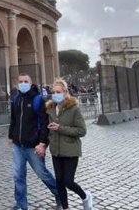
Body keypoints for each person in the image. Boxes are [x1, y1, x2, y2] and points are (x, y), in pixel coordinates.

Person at [8, 73, 59, 210]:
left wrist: (42, 143)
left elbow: (44, 123)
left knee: (42, 173)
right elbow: (14, 120)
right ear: (17, 83)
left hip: (33, 146)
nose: (23, 84)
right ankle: (21, 205)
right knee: (18, 175)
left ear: (31, 83)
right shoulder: (15, 99)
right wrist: (10, 136)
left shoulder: (38, 100)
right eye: (20, 81)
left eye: (26, 81)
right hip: (18, 145)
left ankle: (59, 194)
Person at [46, 78, 94, 210]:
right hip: (56, 150)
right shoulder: (50, 109)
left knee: (68, 181)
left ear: (65, 92)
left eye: (58, 91)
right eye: (53, 92)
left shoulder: (74, 109)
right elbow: (47, 129)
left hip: (71, 150)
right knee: (59, 181)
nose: (55, 94)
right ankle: (65, 207)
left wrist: (60, 128)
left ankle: (85, 196)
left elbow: (82, 130)